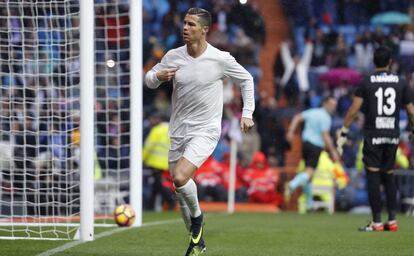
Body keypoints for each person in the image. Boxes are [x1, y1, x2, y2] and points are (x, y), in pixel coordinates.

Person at [145, 7, 255, 256]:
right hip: (179, 130)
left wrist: (247, 113)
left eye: (191, 24)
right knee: (179, 189)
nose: (185, 28)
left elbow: (246, 79)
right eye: (184, 23)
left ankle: (198, 220)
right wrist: (158, 76)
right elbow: (149, 79)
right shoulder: (174, 56)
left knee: (181, 177)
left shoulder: (220, 58)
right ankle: (197, 239)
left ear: (205, 30)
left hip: (206, 130)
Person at [336, 46, 414, 232]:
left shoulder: (366, 82)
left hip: (373, 134)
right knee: (388, 175)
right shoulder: (402, 82)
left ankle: (377, 222)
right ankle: (393, 220)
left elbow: (354, 110)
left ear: (374, 62)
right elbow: (411, 110)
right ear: (390, 62)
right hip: (392, 135)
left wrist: (344, 131)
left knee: (373, 175)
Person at [285, 96, 340, 209]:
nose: (333, 107)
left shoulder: (313, 112)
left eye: (334, 105)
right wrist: (333, 151)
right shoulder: (326, 117)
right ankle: (293, 184)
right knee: (310, 172)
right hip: (315, 145)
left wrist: (291, 131)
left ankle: (309, 203)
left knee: (309, 175)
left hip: (306, 144)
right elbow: (325, 135)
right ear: (325, 103)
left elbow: (297, 117)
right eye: (331, 104)